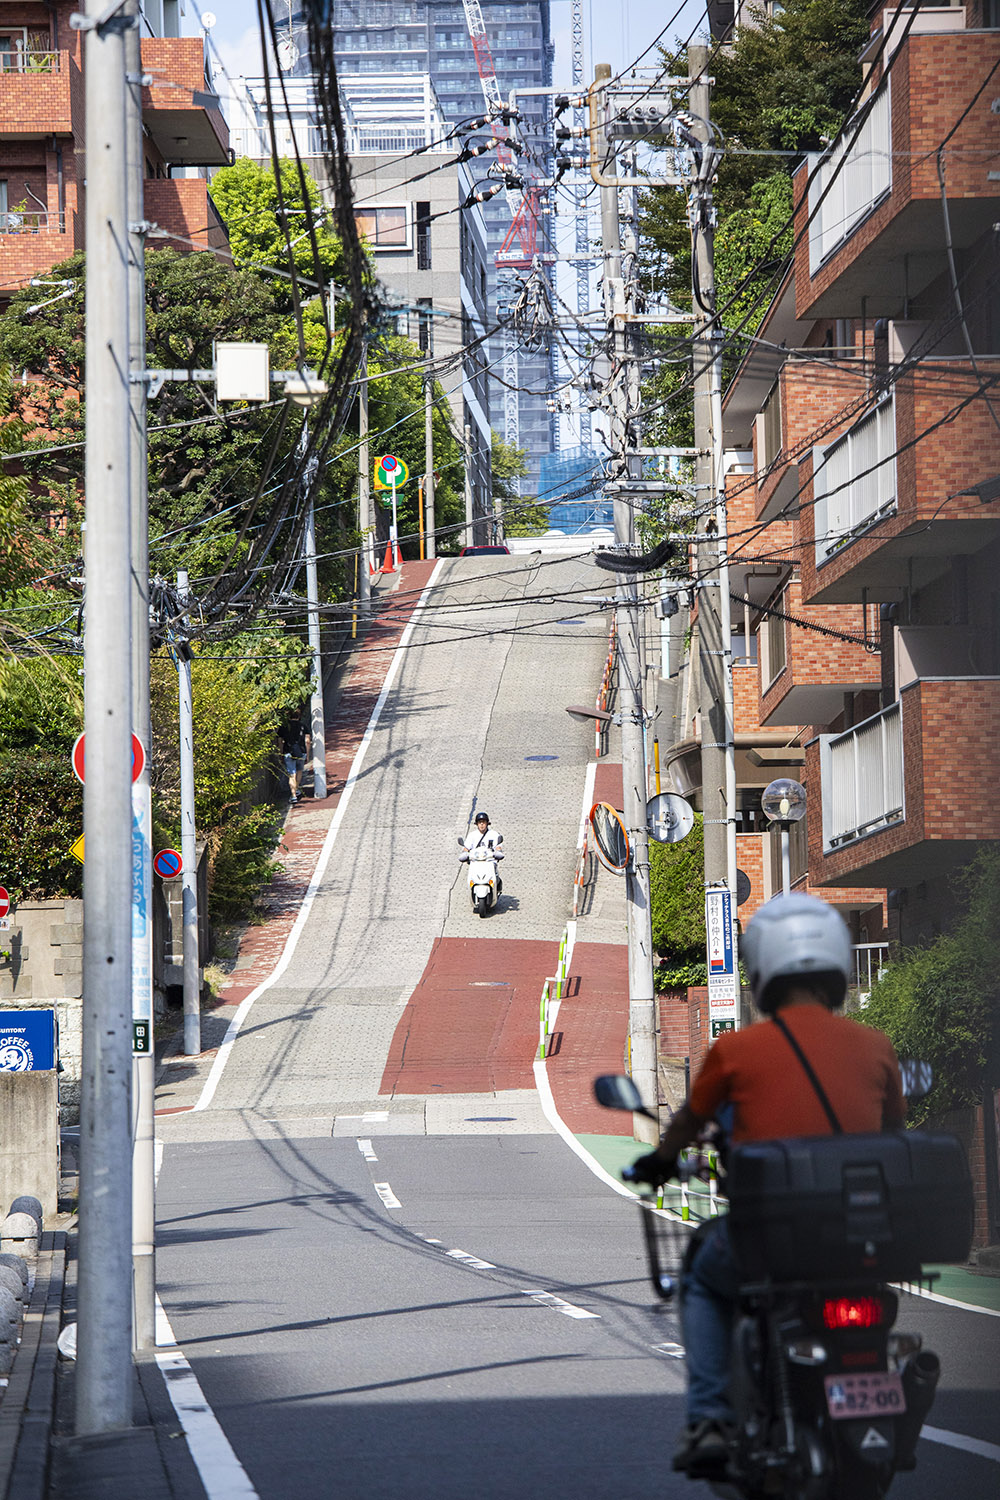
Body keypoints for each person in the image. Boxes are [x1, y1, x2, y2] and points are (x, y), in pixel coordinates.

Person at [628, 893, 905, 1478]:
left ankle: (709, 1418)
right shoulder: (876, 1047)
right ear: (836, 968)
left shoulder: (735, 1049)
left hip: (770, 1240)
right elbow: (894, 1137)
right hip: (861, 1240)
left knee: (702, 1276)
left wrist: (659, 1162)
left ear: (762, 976)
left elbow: (688, 1125)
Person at [460, 811, 504, 895]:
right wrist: (464, 854)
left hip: (490, 862)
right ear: (477, 824)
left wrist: (497, 852)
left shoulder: (494, 834)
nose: (482, 825)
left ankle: (496, 889)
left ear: (487, 823)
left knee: (496, 876)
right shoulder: (472, 835)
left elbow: (498, 847)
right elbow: (466, 848)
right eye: (480, 822)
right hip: (475, 862)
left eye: (483, 822)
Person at [277, 705, 310, 804]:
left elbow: (280, 742)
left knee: (292, 774)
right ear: (299, 716)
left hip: (288, 752)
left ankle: (293, 795)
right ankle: (297, 789)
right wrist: (308, 755)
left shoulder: (283, 727)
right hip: (301, 752)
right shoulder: (303, 726)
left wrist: (280, 754)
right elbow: (307, 741)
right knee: (299, 771)